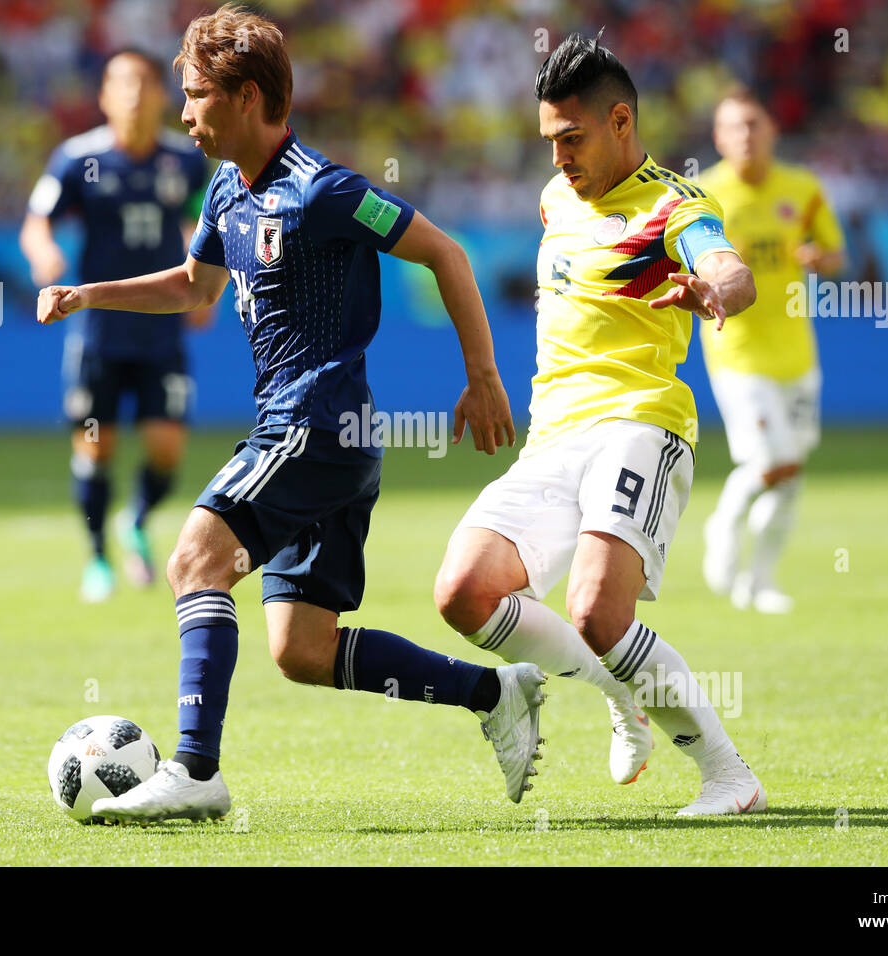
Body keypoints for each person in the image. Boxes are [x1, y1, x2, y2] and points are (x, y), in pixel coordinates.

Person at [36, 4, 542, 823]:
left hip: (316, 421)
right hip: (322, 437)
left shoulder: (326, 191)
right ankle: (493, 691)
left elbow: (444, 251)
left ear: (246, 96)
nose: (185, 113)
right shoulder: (226, 190)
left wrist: (482, 376)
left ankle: (196, 770)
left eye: (198, 95)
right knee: (302, 650)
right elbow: (194, 287)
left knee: (196, 560)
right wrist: (91, 292)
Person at [434, 32, 768, 816]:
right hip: (553, 437)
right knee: (464, 593)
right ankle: (624, 697)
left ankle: (730, 776)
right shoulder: (558, 199)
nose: (558, 158)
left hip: (639, 423)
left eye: (572, 139)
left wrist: (720, 287)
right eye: (549, 141)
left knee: (595, 611)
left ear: (623, 122)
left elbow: (726, 264)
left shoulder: (674, 205)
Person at [20, 48, 212, 603]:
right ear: (103, 95)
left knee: (166, 448)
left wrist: (206, 287)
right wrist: (44, 257)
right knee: (97, 448)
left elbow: (200, 223)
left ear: (161, 95)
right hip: (99, 333)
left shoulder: (186, 160)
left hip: (161, 329)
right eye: (120, 82)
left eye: (145, 82)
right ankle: (99, 556)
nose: (133, 93)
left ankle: (137, 519)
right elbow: (37, 222)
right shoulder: (78, 159)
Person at [697, 87, 846, 614]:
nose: (745, 136)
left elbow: (835, 253)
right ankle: (723, 526)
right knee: (773, 458)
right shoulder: (703, 195)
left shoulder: (802, 189)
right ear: (718, 137)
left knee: (791, 472)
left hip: (797, 357)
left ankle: (758, 582)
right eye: (733, 127)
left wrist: (819, 257)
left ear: (773, 131)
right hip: (738, 353)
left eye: (754, 125)